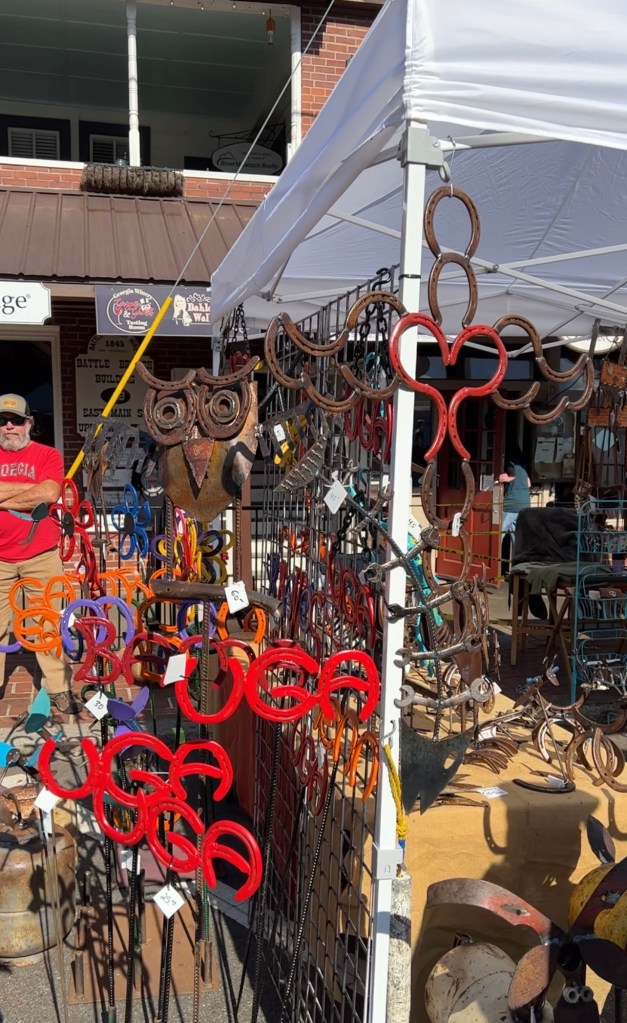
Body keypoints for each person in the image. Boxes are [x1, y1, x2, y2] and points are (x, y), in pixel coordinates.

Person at [0, 394, 75, 713]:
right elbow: (39, 492)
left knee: (46, 623)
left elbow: (50, 492)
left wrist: (5, 495)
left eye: (16, 420)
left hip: (41, 555)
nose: (9, 426)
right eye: (2, 420)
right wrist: (29, 491)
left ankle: (58, 688)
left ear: (29, 423)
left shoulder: (47, 454)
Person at [498, 443, 531, 566]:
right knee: (516, 538)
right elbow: (528, 483)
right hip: (525, 504)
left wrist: (505, 478)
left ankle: (493, 563)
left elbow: (512, 475)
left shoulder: (509, 460)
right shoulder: (522, 464)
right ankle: (518, 567)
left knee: (498, 536)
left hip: (511, 505)